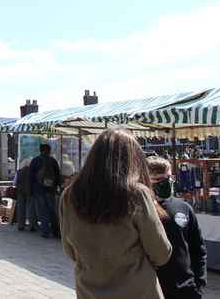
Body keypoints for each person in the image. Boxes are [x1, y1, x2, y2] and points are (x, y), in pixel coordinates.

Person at [61, 128, 172, 299]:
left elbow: (70, 250)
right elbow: (161, 252)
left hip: (89, 291)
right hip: (136, 291)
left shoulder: (69, 195)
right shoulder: (137, 194)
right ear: (133, 160)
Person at [147, 156, 207, 299]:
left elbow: (198, 248)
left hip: (185, 289)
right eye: (157, 180)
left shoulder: (183, 208)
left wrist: (199, 282)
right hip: (152, 289)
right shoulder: (140, 209)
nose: (164, 183)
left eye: (167, 178)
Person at [30, 143, 61, 238]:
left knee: (43, 211)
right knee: (52, 211)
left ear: (40, 150)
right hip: (51, 190)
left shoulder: (35, 161)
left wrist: (32, 189)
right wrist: (57, 186)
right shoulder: (53, 161)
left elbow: (31, 176)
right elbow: (58, 175)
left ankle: (45, 231)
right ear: (49, 151)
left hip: (39, 190)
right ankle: (56, 231)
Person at [14, 158, 36, 231]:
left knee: (21, 208)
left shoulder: (19, 172)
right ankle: (32, 225)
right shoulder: (33, 172)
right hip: (30, 191)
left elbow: (15, 183)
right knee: (30, 209)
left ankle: (21, 225)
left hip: (20, 192)